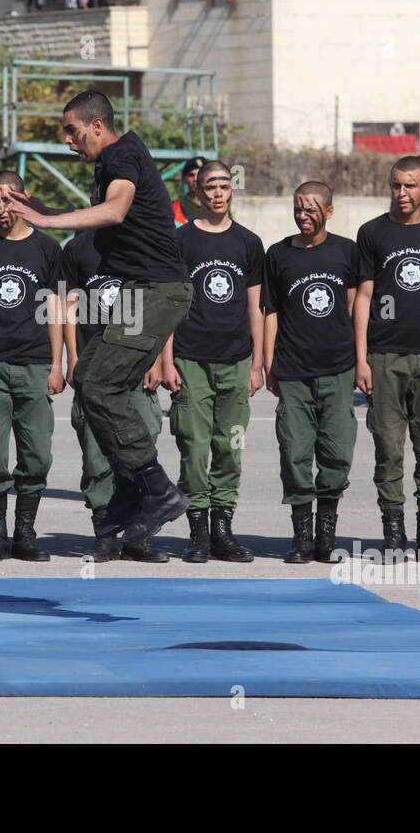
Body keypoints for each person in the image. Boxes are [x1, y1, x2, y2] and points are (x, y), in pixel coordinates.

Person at [5, 90, 194, 550]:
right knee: (89, 380)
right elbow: (105, 218)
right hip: (139, 292)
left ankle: (156, 489)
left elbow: (116, 209)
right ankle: (132, 491)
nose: (69, 141)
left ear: (95, 125)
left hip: (158, 291)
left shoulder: (121, 154)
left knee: (101, 385)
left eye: (72, 131)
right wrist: (44, 212)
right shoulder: (109, 161)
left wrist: (47, 223)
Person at [355, 154, 420, 562]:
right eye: (396, 185)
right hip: (385, 355)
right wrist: (362, 357)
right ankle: (393, 532)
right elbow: (363, 298)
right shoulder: (372, 233)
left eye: (410, 186)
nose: (402, 193)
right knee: (388, 445)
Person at [0, 171, 65, 561]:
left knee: (37, 452)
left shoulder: (48, 249)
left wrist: (57, 363)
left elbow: (56, 309)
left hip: (35, 363)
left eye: (8, 200)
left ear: (25, 198)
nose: (2, 209)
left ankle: (25, 532)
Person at [164, 159, 265, 563]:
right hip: (190, 359)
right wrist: (165, 360)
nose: (218, 193)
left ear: (232, 190)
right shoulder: (181, 241)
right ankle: (198, 533)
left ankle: (223, 529)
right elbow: (169, 305)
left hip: (236, 359)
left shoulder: (248, 243)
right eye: (210, 187)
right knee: (193, 446)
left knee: (230, 445)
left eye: (224, 186)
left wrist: (257, 364)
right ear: (197, 193)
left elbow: (256, 305)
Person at [264, 181, 359, 563]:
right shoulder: (278, 254)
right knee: (295, 452)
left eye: (312, 209)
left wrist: (360, 361)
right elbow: (270, 312)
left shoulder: (346, 252)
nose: (304, 216)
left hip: (337, 368)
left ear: (329, 212)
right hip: (292, 370)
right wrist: (268, 363)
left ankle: (326, 534)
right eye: (298, 209)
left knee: (337, 452)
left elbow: (355, 309)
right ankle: (302, 535)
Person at [62, 230, 169, 562]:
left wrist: (160, 359)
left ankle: (139, 535)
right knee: (96, 454)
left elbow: (161, 308)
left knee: (141, 443)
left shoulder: (141, 243)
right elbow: (68, 304)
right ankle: (105, 533)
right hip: (95, 365)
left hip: (135, 361)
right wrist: (71, 357)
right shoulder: (78, 248)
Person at [175, 156, 206, 225]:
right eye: (191, 175)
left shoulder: (218, 205)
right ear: (184, 179)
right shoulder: (175, 208)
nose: (195, 179)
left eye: (200, 174)